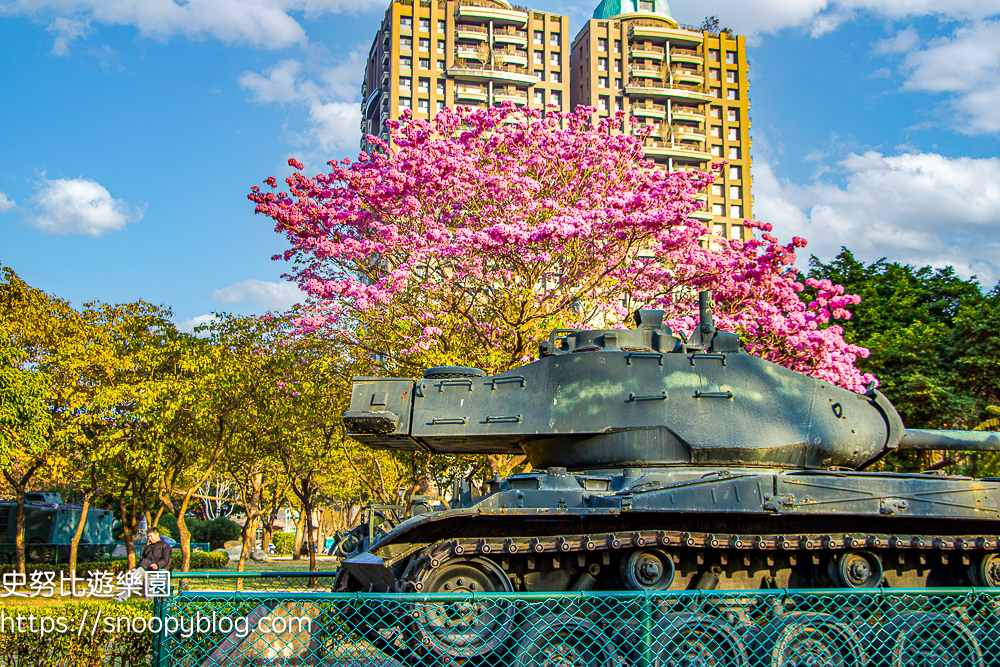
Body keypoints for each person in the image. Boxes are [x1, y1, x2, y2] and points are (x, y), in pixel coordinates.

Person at [115, 527, 172, 600]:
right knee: (132, 578)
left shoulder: (165, 546)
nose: (149, 538)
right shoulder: (148, 547)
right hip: (145, 569)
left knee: (151, 591)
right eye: (148, 536)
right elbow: (142, 559)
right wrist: (136, 567)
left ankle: (152, 606)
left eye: (151, 536)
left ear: (157, 535)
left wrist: (157, 565)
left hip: (157, 572)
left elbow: (166, 560)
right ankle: (121, 598)